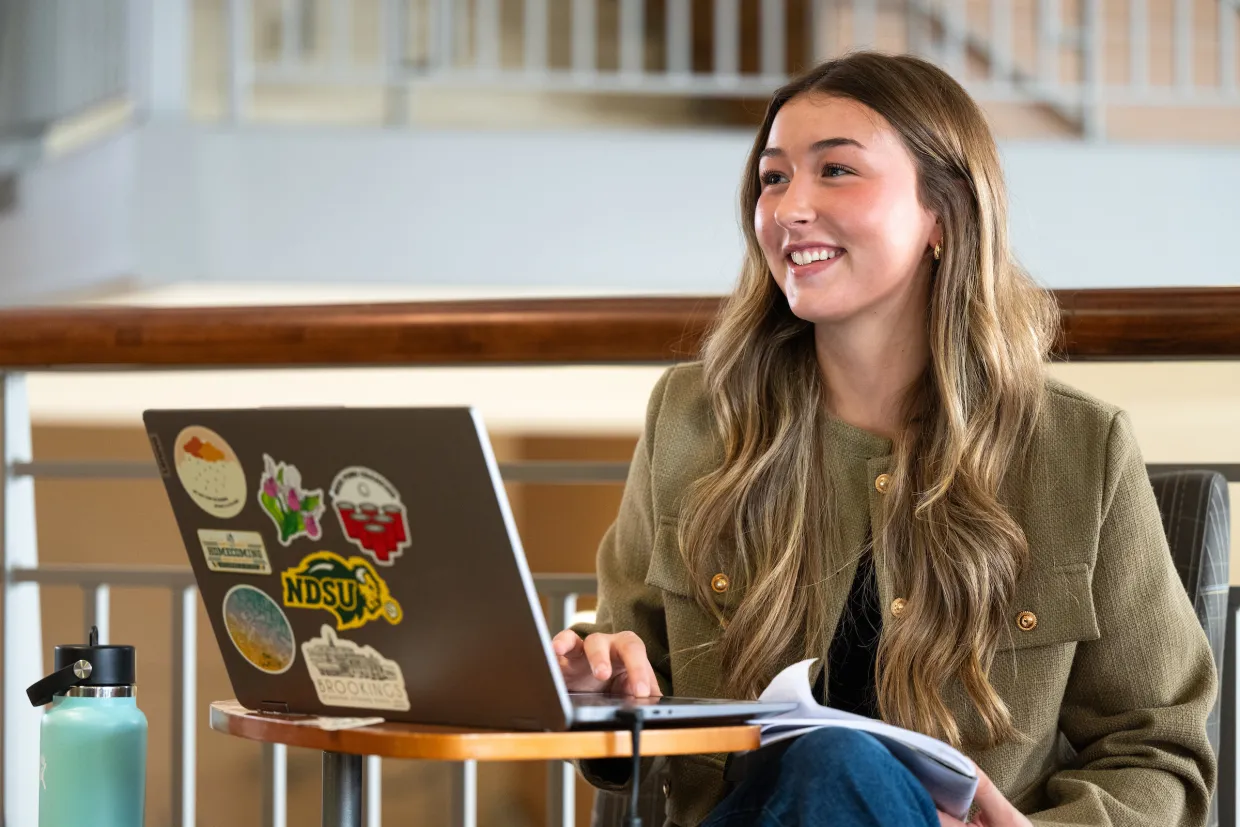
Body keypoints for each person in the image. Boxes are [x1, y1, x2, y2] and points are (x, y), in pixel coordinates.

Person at [550, 51, 1217, 827]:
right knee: (824, 767)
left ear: (943, 212)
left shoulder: (1081, 449)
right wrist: (594, 694)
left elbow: (1159, 750)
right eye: (773, 178)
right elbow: (638, 689)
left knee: (836, 764)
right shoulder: (691, 417)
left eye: (835, 171)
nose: (790, 207)